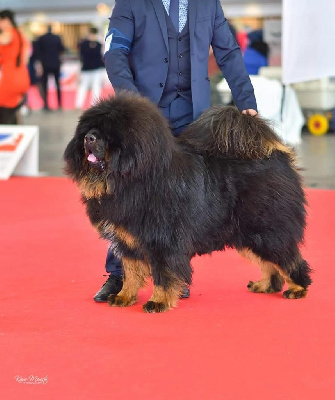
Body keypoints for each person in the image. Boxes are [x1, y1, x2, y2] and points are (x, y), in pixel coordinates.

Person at [94, 0, 258, 303]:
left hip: (192, 115)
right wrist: (132, 103)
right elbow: (115, 51)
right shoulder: (131, 3)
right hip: (143, 112)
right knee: (126, 195)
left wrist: (246, 99)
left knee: (183, 197)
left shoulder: (209, 4)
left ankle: (172, 273)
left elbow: (228, 51)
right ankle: (118, 274)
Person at [0, 9, 30, 124]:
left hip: (10, 77)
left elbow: (4, 40)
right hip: (21, 75)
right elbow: (25, 59)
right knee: (14, 109)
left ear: (6, 20)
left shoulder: (9, 32)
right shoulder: (21, 35)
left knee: (4, 109)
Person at [75, 27, 105, 110]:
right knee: (83, 87)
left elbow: (102, 56)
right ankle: (78, 104)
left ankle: (94, 105)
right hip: (86, 69)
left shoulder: (99, 44)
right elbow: (81, 56)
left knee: (96, 87)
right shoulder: (83, 44)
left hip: (97, 69)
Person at [36, 25, 64, 111]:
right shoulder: (57, 38)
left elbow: (38, 52)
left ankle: (46, 104)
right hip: (56, 63)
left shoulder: (41, 38)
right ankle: (59, 104)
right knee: (57, 84)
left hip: (45, 64)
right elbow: (62, 50)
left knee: (45, 85)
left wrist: (39, 64)